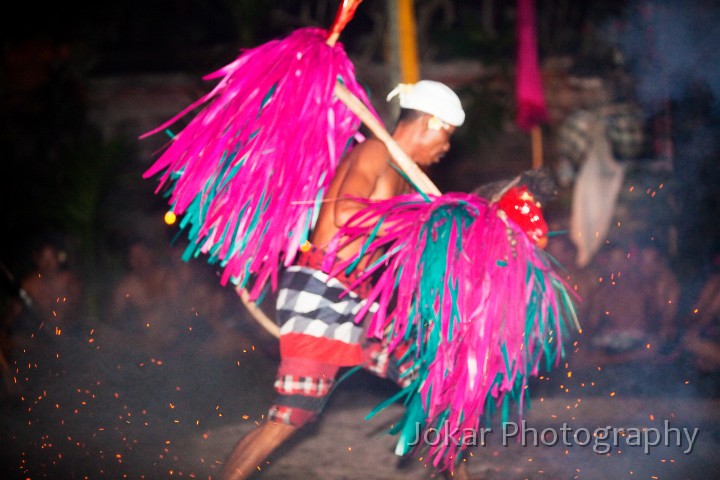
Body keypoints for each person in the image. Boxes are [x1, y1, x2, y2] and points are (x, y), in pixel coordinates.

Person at [218, 80, 465, 480]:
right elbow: (346, 214)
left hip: (359, 301)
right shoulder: (375, 151)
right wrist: (410, 222)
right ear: (432, 124)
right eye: (447, 136)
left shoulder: (405, 177)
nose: (447, 148)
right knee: (289, 417)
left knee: (434, 383)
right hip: (322, 289)